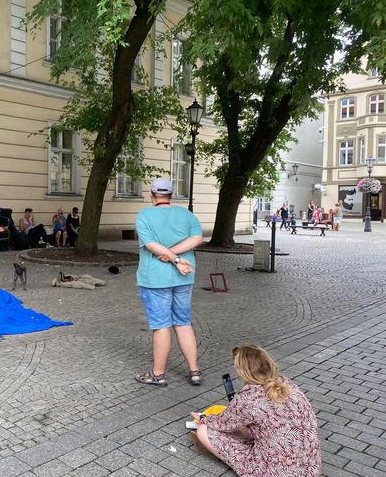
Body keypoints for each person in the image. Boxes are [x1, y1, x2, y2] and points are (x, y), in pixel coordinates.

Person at [192, 345, 321, 477]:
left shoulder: (248, 397)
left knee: (203, 431)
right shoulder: (287, 383)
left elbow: (222, 423)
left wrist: (203, 418)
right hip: (310, 469)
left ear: (243, 371)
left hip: (275, 472)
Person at [134, 178, 203, 387]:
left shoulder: (144, 215)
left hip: (155, 278)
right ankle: (195, 371)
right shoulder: (187, 215)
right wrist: (179, 257)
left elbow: (152, 245)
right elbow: (197, 239)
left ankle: (158, 374)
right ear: (171, 195)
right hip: (184, 276)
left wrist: (172, 257)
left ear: (152, 194)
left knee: (161, 325)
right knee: (183, 322)